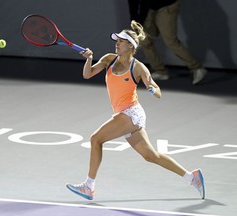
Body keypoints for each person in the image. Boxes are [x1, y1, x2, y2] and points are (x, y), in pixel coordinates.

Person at [66, 20, 205, 200]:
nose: (117, 43)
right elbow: (88, 74)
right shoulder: (109, 59)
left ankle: (88, 187)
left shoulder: (138, 67)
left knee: (95, 139)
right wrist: (88, 59)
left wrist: (152, 89)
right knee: (151, 156)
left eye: (121, 41)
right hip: (122, 114)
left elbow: (158, 92)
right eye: (117, 40)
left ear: (131, 46)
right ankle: (192, 177)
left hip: (131, 113)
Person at [128, 0, 207, 85]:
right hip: (150, 7)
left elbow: (144, 3)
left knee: (170, 40)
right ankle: (160, 71)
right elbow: (133, 2)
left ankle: (197, 68)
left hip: (167, 4)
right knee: (144, 40)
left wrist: (140, 19)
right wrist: (134, 19)